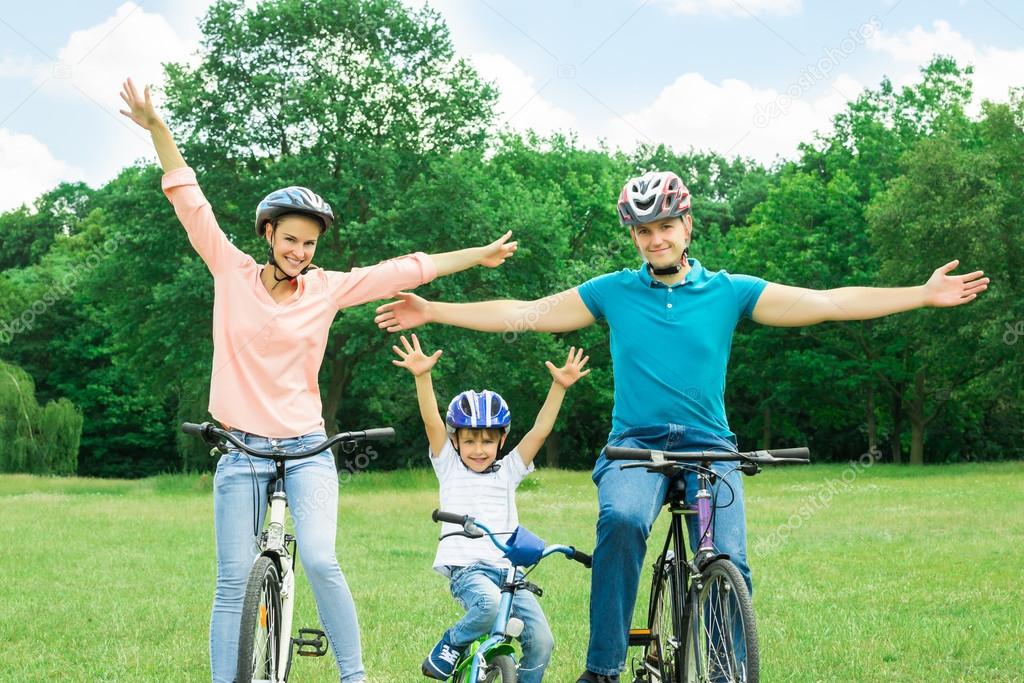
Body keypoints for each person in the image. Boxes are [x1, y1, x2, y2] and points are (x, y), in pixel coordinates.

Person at [374, 170, 990, 682]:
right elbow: (526, 314)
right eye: (643, 230)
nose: (655, 238)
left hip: (710, 447)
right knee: (620, 522)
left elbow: (828, 301)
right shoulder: (612, 292)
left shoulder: (729, 292)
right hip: (633, 447)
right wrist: (433, 309)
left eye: (665, 225)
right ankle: (603, 667)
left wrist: (921, 293)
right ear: (634, 236)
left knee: (729, 560)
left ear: (687, 226)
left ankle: (723, 671)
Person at [118, 77, 518, 683]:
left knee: (324, 562)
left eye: (309, 243)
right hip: (242, 448)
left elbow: (401, 270)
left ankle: (353, 677)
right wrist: (157, 129)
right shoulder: (229, 271)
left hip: (307, 448)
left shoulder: (327, 289)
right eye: (291, 240)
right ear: (268, 235)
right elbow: (189, 199)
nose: (301, 251)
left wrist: (476, 254)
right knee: (232, 580)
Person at [390, 334, 590, 682]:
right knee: (490, 606)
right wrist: (422, 377)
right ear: (455, 441)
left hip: (510, 574)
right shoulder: (448, 465)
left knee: (542, 641)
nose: (478, 449)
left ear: (502, 439)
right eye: (469, 440)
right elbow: (432, 421)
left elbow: (540, 431)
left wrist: (559, 386)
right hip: (469, 571)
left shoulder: (509, 469)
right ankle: (451, 643)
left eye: (487, 440)